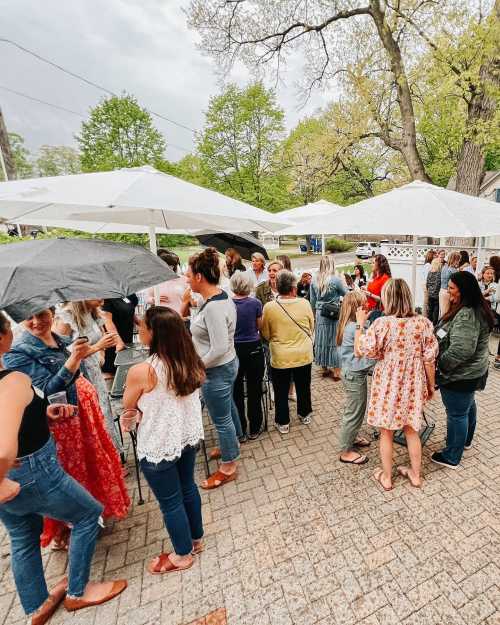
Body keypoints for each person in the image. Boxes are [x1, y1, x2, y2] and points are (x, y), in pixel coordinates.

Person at [0, 312, 127, 622]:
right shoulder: (12, 379)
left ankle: (36, 606)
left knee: (22, 536)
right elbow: (4, 447)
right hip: (30, 469)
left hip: (18, 474)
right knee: (87, 513)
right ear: (3, 337)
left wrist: (43, 412)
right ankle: (77, 592)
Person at [122, 307, 205, 574]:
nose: (140, 329)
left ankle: (182, 554)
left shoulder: (142, 371)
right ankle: (196, 539)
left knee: (170, 501)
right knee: (188, 488)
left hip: (159, 443)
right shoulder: (190, 360)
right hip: (186, 435)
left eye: (144, 326)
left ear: (156, 333)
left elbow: (128, 404)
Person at [355, 279, 438, 490]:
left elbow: (361, 350)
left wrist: (359, 324)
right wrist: (430, 386)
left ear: (387, 298)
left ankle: (387, 477)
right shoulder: (424, 323)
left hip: (388, 385)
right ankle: (416, 475)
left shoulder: (382, 324)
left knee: (387, 432)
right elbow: (429, 359)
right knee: (411, 430)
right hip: (413, 383)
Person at [186, 247, 241, 489]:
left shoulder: (214, 307)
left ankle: (229, 466)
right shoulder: (218, 297)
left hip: (217, 369)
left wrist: (196, 366)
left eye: (188, 275)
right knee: (228, 409)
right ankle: (233, 442)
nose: (186, 279)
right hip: (226, 364)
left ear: (199, 277)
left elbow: (218, 347)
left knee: (221, 420)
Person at [432, 272, 494, 469]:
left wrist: (440, 366)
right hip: (472, 373)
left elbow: (462, 350)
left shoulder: (467, 313)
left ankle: (452, 455)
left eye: (451, 288)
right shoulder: (469, 307)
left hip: (460, 375)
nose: (447, 291)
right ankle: (465, 440)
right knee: (467, 406)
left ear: (463, 290)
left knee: (457, 414)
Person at [54, 300, 122, 451]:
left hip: (95, 372)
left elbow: (99, 337)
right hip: (80, 377)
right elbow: (61, 356)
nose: (101, 297)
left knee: (104, 412)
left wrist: (101, 353)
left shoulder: (93, 312)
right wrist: (98, 347)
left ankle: (112, 457)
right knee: (92, 419)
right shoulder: (66, 317)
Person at [261, 270, 315, 434]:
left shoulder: (269, 307)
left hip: (280, 355)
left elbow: (265, 333)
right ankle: (305, 414)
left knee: (281, 389)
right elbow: (311, 326)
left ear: (276, 288)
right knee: (303, 386)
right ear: (293, 288)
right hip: (303, 354)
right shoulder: (304, 304)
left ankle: (283, 422)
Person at [336, 291, 375, 465]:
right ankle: (345, 451)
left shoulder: (349, 324)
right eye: (364, 304)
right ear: (356, 308)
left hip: (352, 373)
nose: (367, 306)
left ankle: (353, 436)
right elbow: (361, 349)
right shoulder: (354, 327)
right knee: (354, 412)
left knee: (356, 410)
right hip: (353, 375)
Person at [231, 271, 265, 440]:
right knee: (254, 388)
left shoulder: (227, 304)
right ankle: (255, 427)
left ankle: (240, 429)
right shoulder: (255, 303)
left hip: (234, 348)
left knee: (236, 390)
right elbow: (260, 325)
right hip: (253, 347)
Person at [309, 255, 347, 380]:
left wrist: (314, 315)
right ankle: (336, 372)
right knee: (335, 341)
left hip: (320, 313)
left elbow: (312, 300)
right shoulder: (336, 280)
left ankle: (324, 368)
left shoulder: (314, 279)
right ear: (332, 264)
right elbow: (345, 293)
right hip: (333, 313)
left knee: (321, 340)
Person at [100, 295, 139, 378]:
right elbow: (107, 320)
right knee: (111, 371)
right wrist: (118, 340)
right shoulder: (107, 297)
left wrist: (143, 324)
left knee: (125, 370)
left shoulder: (129, 294)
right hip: (113, 340)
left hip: (127, 338)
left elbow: (130, 312)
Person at [146, 250, 188, 315]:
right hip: (161, 317)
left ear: (171, 267)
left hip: (180, 316)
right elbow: (147, 298)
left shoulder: (184, 280)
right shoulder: (155, 280)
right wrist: (154, 299)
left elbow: (191, 298)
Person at [439, 251, 461, 318]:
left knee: (442, 312)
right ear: (455, 260)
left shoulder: (444, 267)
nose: (459, 262)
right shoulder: (453, 270)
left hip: (442, 291)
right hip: (448, 292)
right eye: (458, 260)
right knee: (446, 313)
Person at [426, 258, 443, 325]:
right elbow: (438, 283)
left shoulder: (429, 272)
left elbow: (427, 283)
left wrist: (429, 291)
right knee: (436, 311)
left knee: (430, 310)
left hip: (430, 294)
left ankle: (429, 323)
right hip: (436, 295)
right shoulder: (439, 273)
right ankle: (434, 324)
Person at [422, 250, 435, 316]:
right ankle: (425, 316)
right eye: (434, 256)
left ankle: (425, 315)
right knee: (426, 301)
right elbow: (428, 277)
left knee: (426, 301)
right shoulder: (428, 266)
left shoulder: (426, 265)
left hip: (424, 284)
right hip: (426, 284)